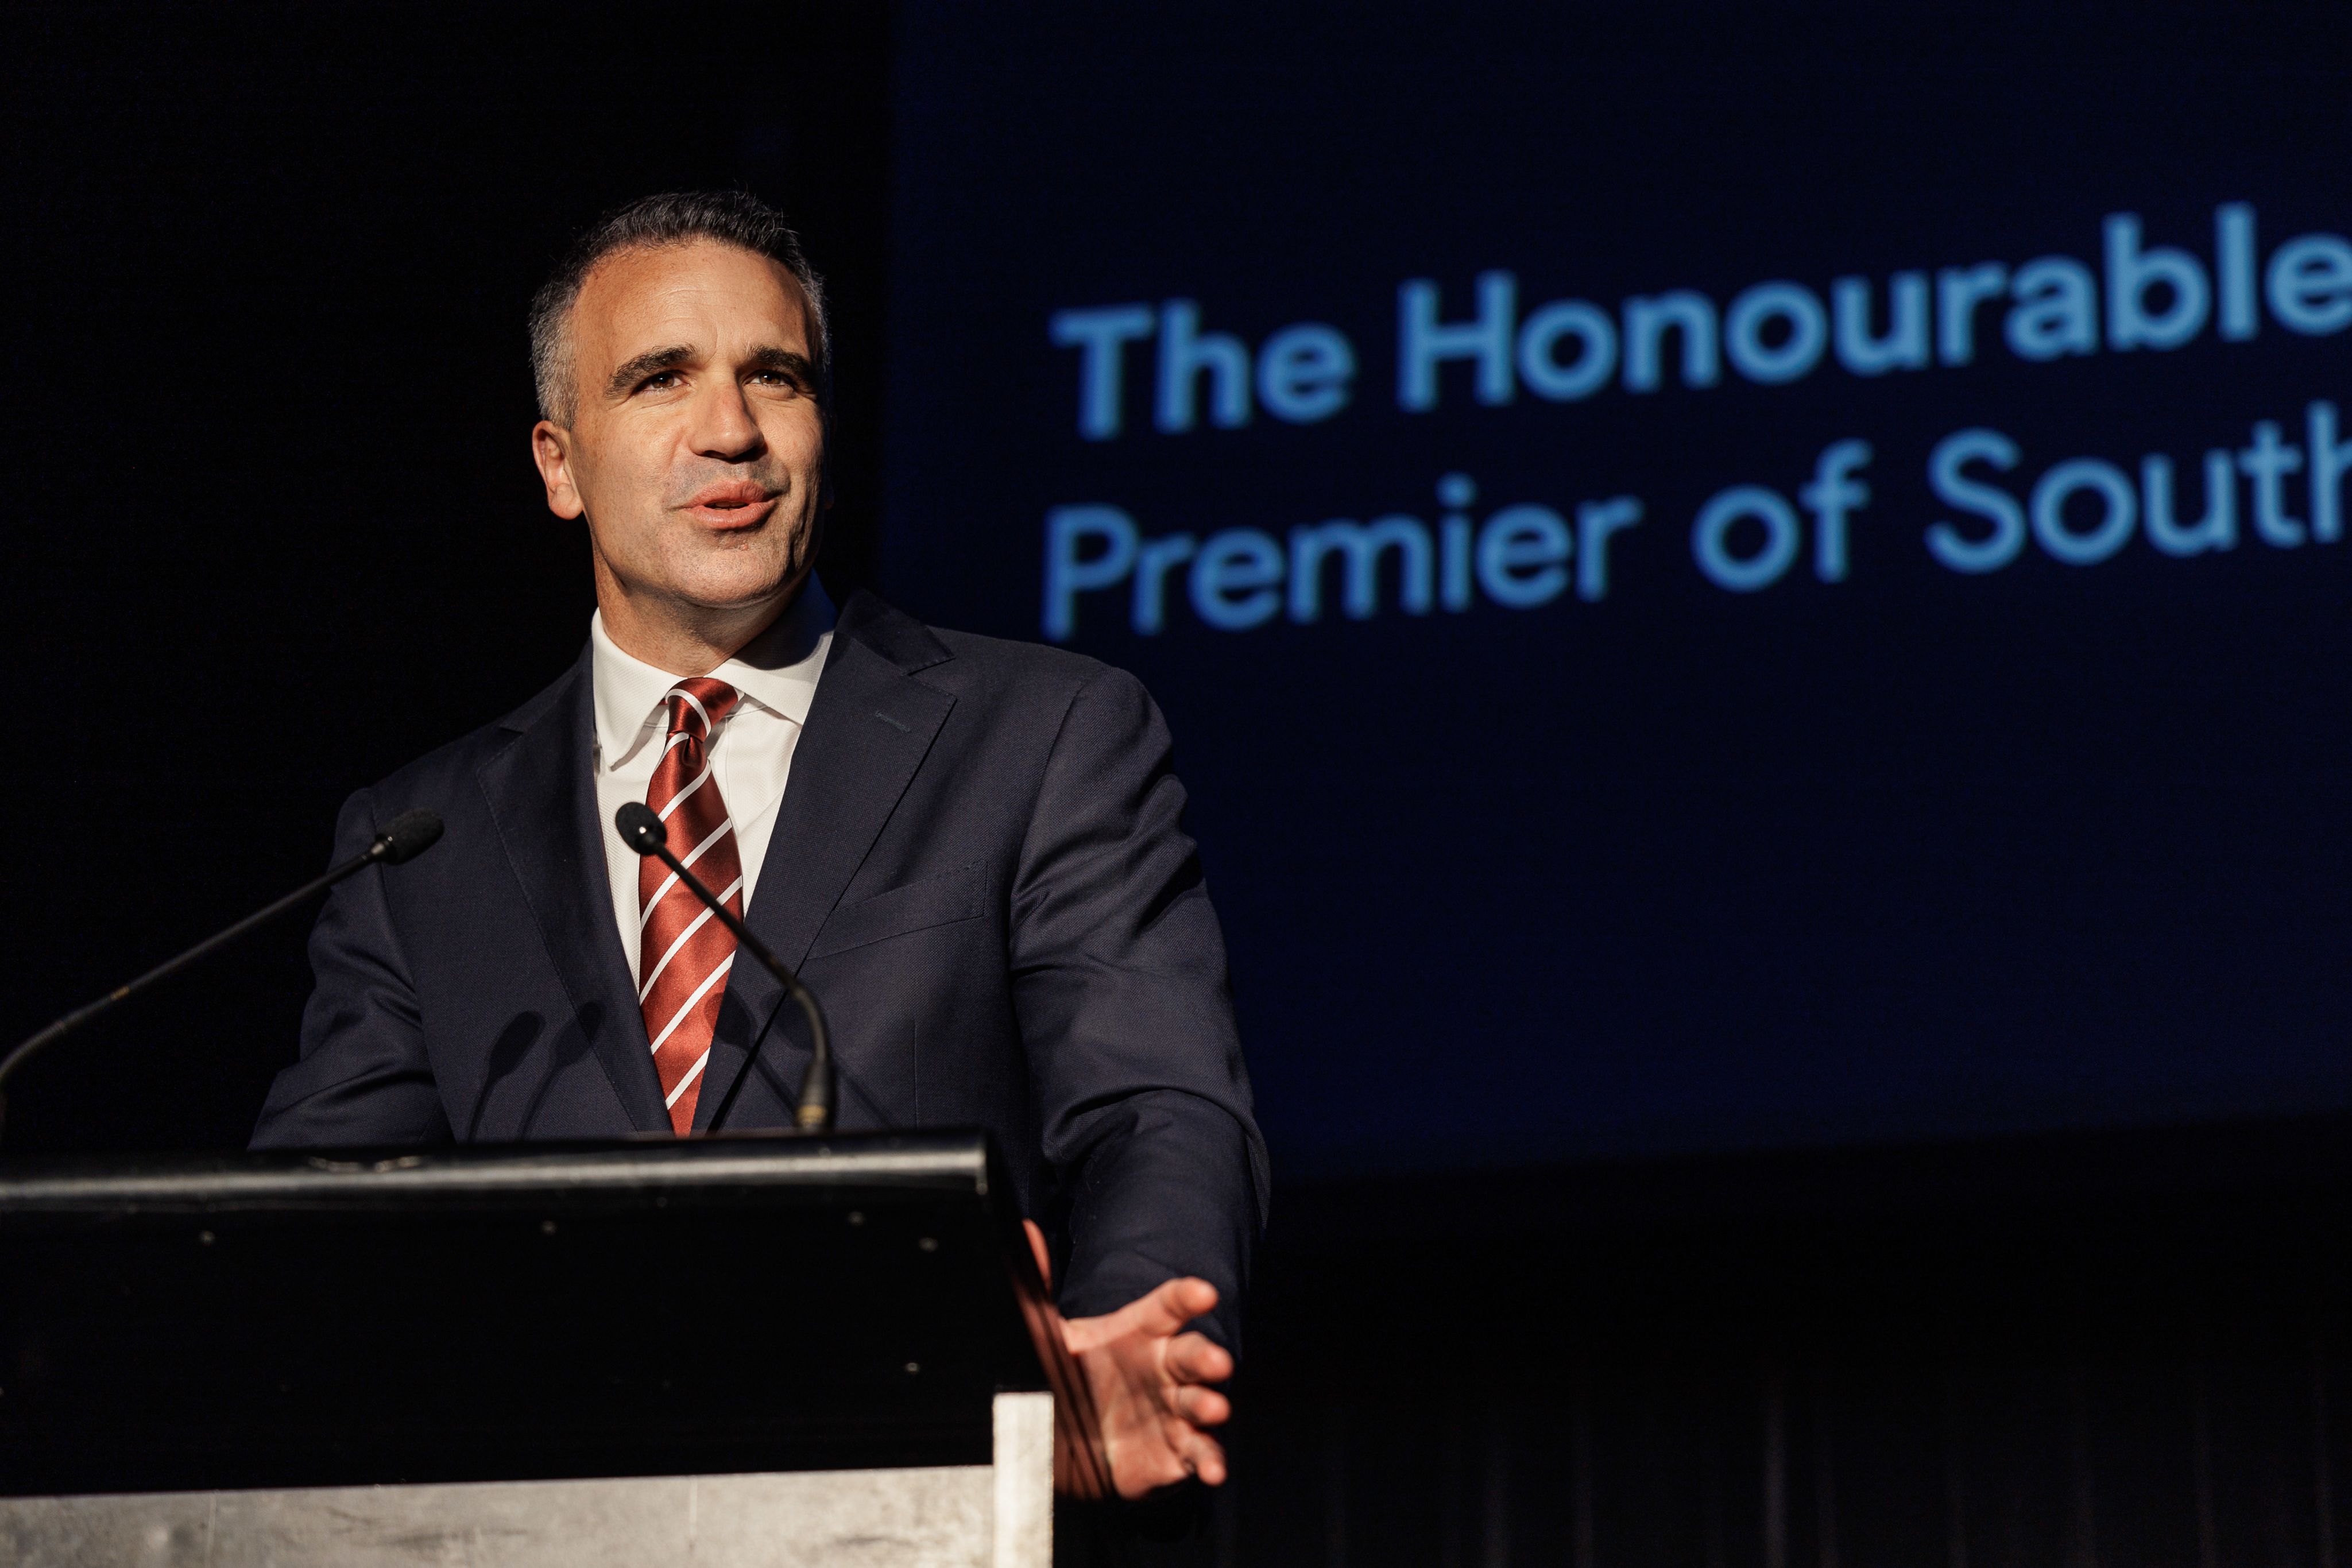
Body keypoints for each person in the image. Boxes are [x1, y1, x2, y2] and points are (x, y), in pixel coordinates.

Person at [250, 191, 1267, 1501]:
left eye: (773, 377)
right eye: (660, 378)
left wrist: (1107, 1350)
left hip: (923, 1500)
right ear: (559, 463)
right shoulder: (418, 844)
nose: (729, 431)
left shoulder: (1045, 735)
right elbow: (304, 1242)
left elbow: (1156, 1107)